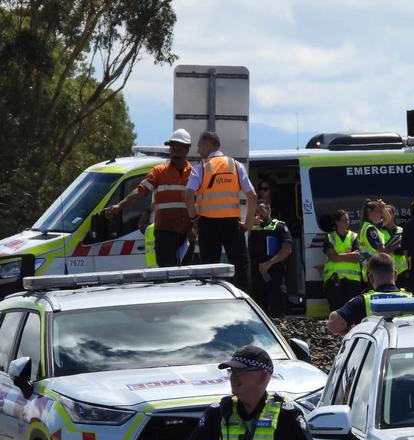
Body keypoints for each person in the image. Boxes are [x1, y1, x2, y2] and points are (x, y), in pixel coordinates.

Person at [183, 345, 326, 440]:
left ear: (263, 376)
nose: (232, 377)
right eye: (231, 371)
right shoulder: (217, 412)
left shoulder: (287, 416)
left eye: (240, 371)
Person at [105, 129, 194, 267]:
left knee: (185, 278)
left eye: (179, 148)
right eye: (173, 147)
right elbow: (140, 192)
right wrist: (119, 206)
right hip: (165, 233)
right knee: (168, 275)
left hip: (186, 234)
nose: (175, 151)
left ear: (187, 150)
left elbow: (199, 202)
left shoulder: (193, 174)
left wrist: (194, 228)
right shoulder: (159, 171)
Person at [185, 131, 256, 292]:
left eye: (200, 146)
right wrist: (248, 224)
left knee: (209, 268)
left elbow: (188, 195)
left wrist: (193, 218)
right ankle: (243, 302)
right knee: (240, 264)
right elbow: (252, 196)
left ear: (209, 146)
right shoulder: (235, 165)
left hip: (207, 225)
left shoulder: (201, 167)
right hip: (232, 224)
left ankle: (212, 301)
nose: (197, 150)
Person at [327, 252, 411, 335]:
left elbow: (333, 323)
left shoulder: (362, 301)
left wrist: (351, 332)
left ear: (370, 278)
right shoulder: (411, 299)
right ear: (396, 275)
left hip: (375, 347)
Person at [249, 200, 293, 317]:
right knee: (258, 312)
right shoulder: (253, 228)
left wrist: (269, 263)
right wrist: (249, 225)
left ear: (269, 210)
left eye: (261, 211)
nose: (259, 214)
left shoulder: (278, 226)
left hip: (275, 274)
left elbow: (287, 249)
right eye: (256, 212)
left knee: (277, 310)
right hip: (257, 276)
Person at [322, 209, 361, 311]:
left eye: (348, 220)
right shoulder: (329, 237)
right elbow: (332, 257)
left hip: (352, 280)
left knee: (352, 310)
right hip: (334, 278)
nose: (347, 222)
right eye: (344, 220)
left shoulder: (354, 236)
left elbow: (357, 256)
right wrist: (349, 255)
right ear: (337, 222)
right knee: (336, 310)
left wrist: (339, 255)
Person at [358, 199, 393, 282]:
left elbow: (388, 219)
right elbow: (381, 250)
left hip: (372, 269)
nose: (381, 214)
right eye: (378, 211)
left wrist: (383, 207)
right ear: (370, 211)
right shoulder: (370, 229)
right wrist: (395, 245)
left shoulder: (369, 226)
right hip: (375, 270)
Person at [382, 204, 409, 289]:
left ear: (394, 215)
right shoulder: (379, 231)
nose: (385, 216)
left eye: (388, 213)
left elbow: (407, 250)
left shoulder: (401, 230)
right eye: (384, 213)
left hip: (402, 271)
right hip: (386, 271)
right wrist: (395, 246)